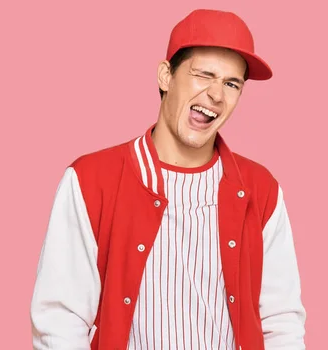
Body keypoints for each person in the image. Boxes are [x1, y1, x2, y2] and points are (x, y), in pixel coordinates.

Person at [30, 8, 306, 350]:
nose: (216, 96)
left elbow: (281, 322)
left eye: (231, 83)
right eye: (204, 74)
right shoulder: (90, 181)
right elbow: (60, 321)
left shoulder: (260, 190)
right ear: (165, 76)